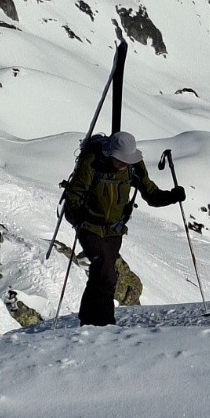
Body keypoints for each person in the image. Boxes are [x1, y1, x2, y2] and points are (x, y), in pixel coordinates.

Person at [61, 131, 184, 326]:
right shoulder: (91, 162)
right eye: (120, 160)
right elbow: (74, 194)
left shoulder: (133, 166)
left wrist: (172, 196)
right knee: (105, 270)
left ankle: (87, 320)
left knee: (103, 273)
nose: (123, 164)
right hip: (89, 226)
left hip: (114, 230)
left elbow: (150, 194)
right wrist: (80, 216)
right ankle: (105, 322)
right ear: (110, 154)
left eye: (127, 160)